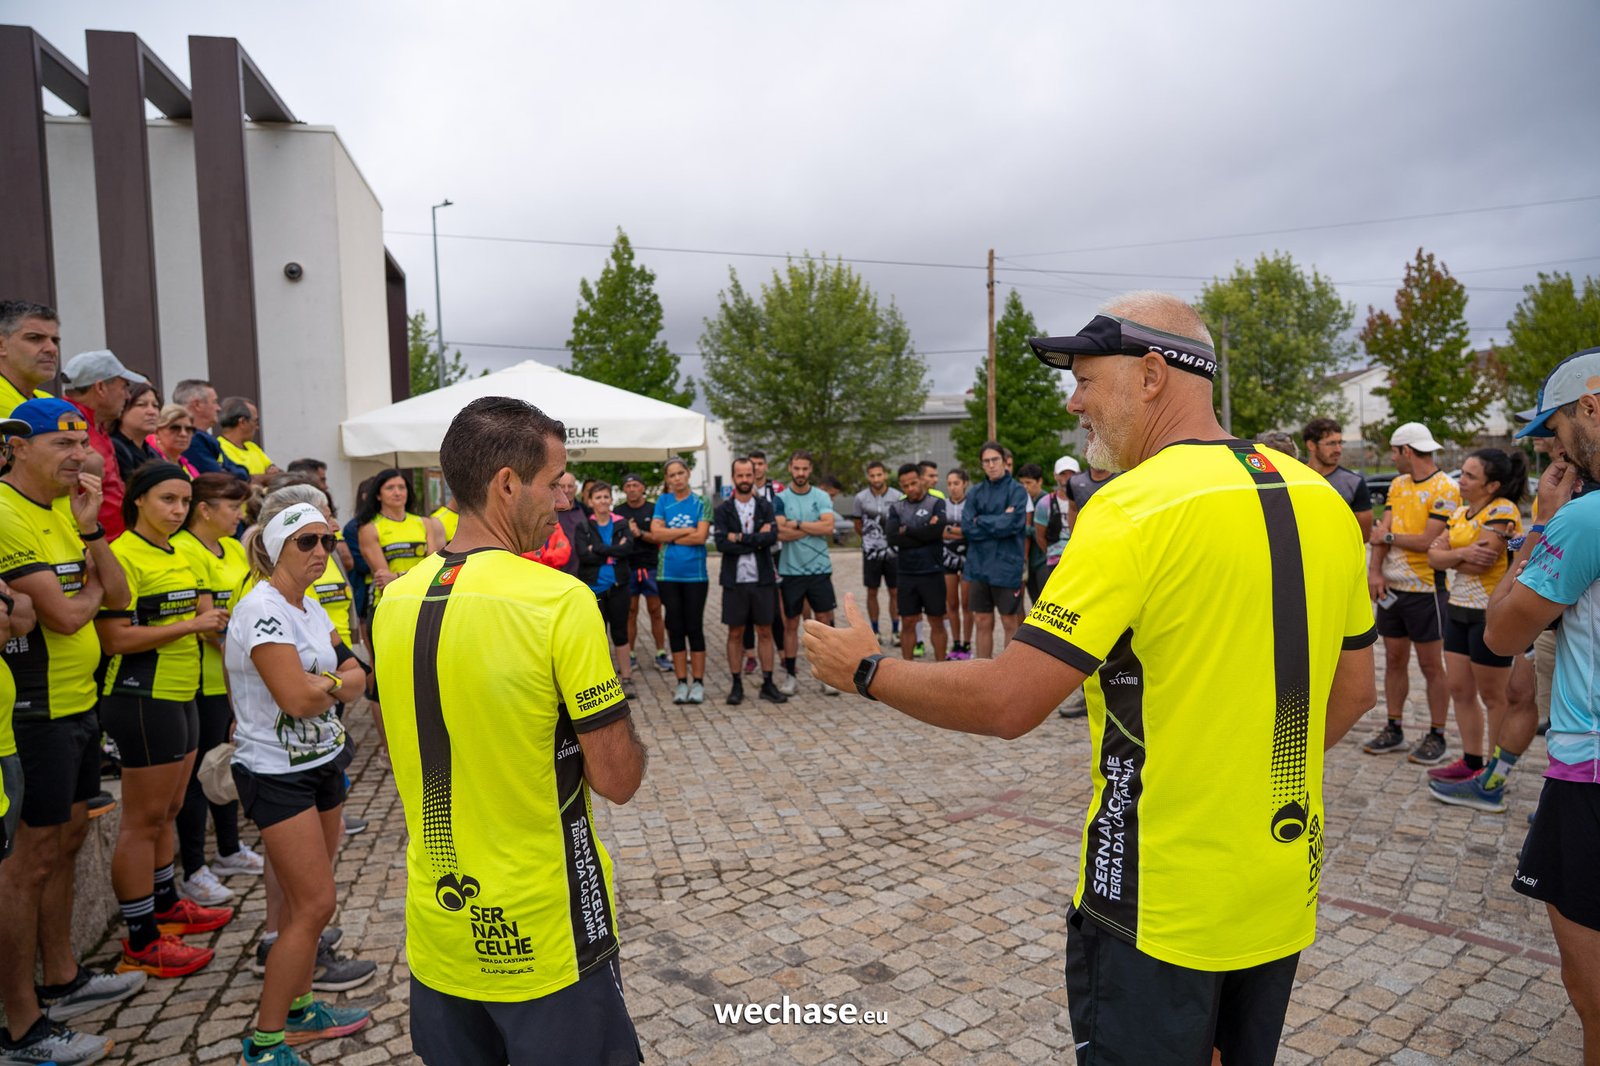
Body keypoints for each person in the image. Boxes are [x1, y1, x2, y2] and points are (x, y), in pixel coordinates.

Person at [802, 293, 1377, 1065]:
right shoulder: (1321, 497)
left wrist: (868, 670)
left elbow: (1011, 701)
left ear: (1150, 374)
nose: (1075, 403)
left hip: (1157, 899)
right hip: (1279, 884)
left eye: (1084, 380)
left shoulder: (1131, 508)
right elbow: (1355, 692)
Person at [372, 396, 646, 1066]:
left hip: (440, 928)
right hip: (542, 926)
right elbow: (618, 779)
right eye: (555, 483)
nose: (562, 500)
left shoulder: (394, 599)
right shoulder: (559, 600)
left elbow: (402, 741)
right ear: (505, 484)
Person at [0, 402, 141, 1065]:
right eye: (62, 444)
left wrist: (90, 533)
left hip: (78, 705)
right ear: (17, 447)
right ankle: (23, 1024)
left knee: (69, 840)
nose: (78, 457)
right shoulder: (7, 513)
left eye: (81, 444)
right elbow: (61, 617)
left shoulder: (63, 512)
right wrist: (81, 600)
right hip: (35, 714)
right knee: (27, 865)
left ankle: (62, 974)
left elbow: (113, 596)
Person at [1484, 347, 1600, 1065]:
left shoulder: (1582, 521)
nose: (1554, 450)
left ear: (1592, 407)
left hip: (1589, 777)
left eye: (1555, 429)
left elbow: (1501, 633)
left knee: (1593, 996)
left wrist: (1543, 526)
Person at [227, 497, 371, 1064]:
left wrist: (326, 684)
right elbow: (293, 696)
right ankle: (264, 1044)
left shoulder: (308, 606)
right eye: (305, 542)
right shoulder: (262, 609)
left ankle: (302, 1008)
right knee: (315, 905)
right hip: (275, 771)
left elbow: (362, 673)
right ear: (275, 549)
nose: (321, 551)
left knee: (299, 902)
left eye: (327, 539)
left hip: (323, 762)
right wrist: (335, 684)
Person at [95, 462, 235, 977]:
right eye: (165, 500)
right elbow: (114, 640)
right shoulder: (122, 555)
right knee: (142, 819)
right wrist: (190, 624)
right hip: (139, 696)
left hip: (184, 692)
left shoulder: (183, 552)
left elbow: (204, 619)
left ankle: (165, 903)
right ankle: (141, 937)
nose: (176, 511)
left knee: (172, 806)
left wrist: (203, 624)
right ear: (137, 501)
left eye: (182, 501)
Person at [172, 474, 262, 903]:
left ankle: (228, 848)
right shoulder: (185, 550)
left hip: (235, 677)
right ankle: (194, 866)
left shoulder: (230, 547)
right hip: (205, 679)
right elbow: (211, 622)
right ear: (204, 509)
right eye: (231, 507)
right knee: (199, 775)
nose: (240, 516)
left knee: (228, 764)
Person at [1424, 448, 1527, 791]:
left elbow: (1484, 560)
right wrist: (1458, 554)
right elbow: (1432, 557)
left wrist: (1448, 556)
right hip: (1457, 610)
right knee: (1459, 689)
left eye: (1470, 476)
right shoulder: (1459, 512)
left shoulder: (1503, 510)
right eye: (1462, 473)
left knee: (1493, 696)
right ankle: (1471, 762)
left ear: (1493, 484)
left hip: (1489, 614)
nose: (1461, 480)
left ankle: (1494, 773)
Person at [1363, 422, 1460, 764]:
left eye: (1393, 450)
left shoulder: (1446, 487)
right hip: (1392, 588)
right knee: (1393, 659)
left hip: (1426, 589)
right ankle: (1395, 727)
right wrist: (1374, 571)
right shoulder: (1398, 484)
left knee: (1432, 665)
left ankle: (1437, 733)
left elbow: (1423, 541)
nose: (1391, 456)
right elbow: (1381, 531)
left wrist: (1386, 539)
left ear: (1406, 451)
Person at [713, 458, 786, 705]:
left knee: (765, 631)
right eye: (740, 475)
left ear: (754, 476)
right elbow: (722, 543)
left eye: (748, 475)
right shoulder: (723, 510)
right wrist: (755, 538)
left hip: (763, 578)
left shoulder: (766, 506)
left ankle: (768, 682)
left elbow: (772, 537)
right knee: (735, 633)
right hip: (735, 581)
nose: (744, 480)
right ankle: (736, 684)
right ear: (733, 477)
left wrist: (740, 538)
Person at [62, 349, 149, 540]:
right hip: (90, 550)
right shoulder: (66, 427)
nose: (127, 396)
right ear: (100, 387)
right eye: (124, 387)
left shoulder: (93, 425)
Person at [777, 451, 839, 695]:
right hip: (790, 570)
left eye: (804, 469)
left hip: (819, 569)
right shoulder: (780, 498)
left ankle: (827, 675)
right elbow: (780, 532)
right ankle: (791, 675)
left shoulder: (822, 496)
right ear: (790, 468)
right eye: (796, 468)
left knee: (823, 622)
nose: (800, 473)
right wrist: (813, 528)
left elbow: (828, 526)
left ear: (810, 470)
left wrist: (799, 525)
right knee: (791, 623)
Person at [960, 441, 1029, 659]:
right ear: (982, 465)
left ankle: (1007, 675)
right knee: (982, 620)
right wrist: (998, 520)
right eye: (986, 461)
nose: (991, 465)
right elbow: (967, 527)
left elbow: (1013, 524)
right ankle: (982, 673)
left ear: (1004, 461)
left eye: (995, 460)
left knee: (1009, 621)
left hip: (1007, 566)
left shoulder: (1017, 491)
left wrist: (981, 520)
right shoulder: (975, 493)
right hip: (978, 566)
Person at [651, 457, 711, 704]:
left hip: (695, 575)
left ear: (688, 474)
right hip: (668, 574)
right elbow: (655, 533)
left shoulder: (701, 502)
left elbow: (701, 537)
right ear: (667, 479)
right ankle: (681, 682)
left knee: (694, 627)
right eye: (671, 475)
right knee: (674, 627)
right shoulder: (663, 501)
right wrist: (687, 531)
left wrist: (670, 536)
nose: (676, 478)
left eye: (680, 473)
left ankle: (698, 682)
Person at [356, 469, 445, 619]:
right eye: (390, 488)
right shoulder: (370, 529)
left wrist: (398, 575)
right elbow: (385, 580)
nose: (397, 492)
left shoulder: (424, 523)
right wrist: (416, 575)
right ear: (378, 495)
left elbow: (433, 569)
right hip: (388, 605)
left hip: (422, 602)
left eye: (401, 487)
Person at [577, 483, 637, 693]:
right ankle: (604, 681)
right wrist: (613, 552)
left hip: (619, 586)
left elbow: (627, 549)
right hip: (595, 589)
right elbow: (584, 555)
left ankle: (626, 677)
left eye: (606, 497)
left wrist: (600, 550)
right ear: (590, 501)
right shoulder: (583, 526)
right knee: (598, 636)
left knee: (620, 633)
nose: (602, 501)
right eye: (598, 497)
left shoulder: (621, 524)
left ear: (611, 500)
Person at [887, 463, 948, 663]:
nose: (911, 488)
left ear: (922, 479)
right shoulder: (896, 507)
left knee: (937, 621)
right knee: (908, 622)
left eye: (913, 483)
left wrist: (908, 531)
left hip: (932, 571)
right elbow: (893, 538)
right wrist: (923, 531)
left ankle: (941, 670)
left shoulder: (936, 502)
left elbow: (936, 532)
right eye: (905, 486)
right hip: (906, 573)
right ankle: (907, 670)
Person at [614, 473, 669, 674]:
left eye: (636, 485)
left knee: (656, 611)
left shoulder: (653, 509)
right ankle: (630, 654)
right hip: (628, 567)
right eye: (628, 486)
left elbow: (659, 537)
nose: (631, 489)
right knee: (630, 612)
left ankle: (661, 653)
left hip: (651, 566)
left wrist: (640, 534)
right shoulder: (619, 511)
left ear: (642, 487)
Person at [853, 461, 903, 647]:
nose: (876, 479)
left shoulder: (897, 496)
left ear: (885, 475)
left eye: (879, 475)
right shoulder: (860, 498)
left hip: (893, 552)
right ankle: (874, 630)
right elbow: (858, 524)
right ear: (868, 477)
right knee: (872, 591)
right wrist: (871, 541)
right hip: (871, 553)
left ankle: (896, 631)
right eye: (872, 475)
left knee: (895, 591)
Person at [1302, 417, 1374, 533]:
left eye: (1340, 443)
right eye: (1331, 443)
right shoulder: (1296, 478)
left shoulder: (1354, 483)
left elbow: (1364, 534)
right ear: (1311, 445)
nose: (1338, 449)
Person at [173, 379, 249, 480]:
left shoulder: (206, 438)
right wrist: (235, 474)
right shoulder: (190, 440)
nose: (218, 408)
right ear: (197, 405)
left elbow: (235, 468)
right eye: (214, 402)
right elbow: (216, 477)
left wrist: (235, 473)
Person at [0, 300, 58, 417]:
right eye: (34, 338)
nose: (52, 349)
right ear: (1, 345)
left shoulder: (47, 399)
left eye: (55, 340)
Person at [942, 468, 973, 660]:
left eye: (956, 483)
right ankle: (955, 643)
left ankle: (967, 644)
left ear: (964, 484)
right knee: (951, 603)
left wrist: (952, 530)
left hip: (969, 559)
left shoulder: (971, 504)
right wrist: (959, 531)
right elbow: (940, 532)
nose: (953, 488)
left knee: (967, 604)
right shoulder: (942, 505)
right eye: (950, 484)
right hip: (948, 559)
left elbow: (971, 531)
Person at [216, 397, 281, 485]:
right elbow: (237, 482)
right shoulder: (217, 448)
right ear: (242, 422)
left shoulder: (252, 447)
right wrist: (267, 477)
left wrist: (265, 475)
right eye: (255, 421)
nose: (257, 427)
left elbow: (278, 473)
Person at [1015, 462, 1051, 606]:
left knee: (1045, 602)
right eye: (1022, 483)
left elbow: (1047, 532)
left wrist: (1025, 528)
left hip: (1043, 559)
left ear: (1040, 481)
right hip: (1028, 560)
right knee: (1034, 602)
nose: (1025, 487)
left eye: (1028, 483)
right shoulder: (1021, 501)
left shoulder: (1047, 501)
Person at [111, 381, 162, 479]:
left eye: (155, 406)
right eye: (141, 404)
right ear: (122, 409)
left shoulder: (152, 453)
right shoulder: (114, 449)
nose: (152, 412)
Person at [150, 403, 201, 478]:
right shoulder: (150, 464)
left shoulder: (189, 467)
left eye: (188, 429)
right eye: (175, 428)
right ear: (157, 432)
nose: (183, 434)